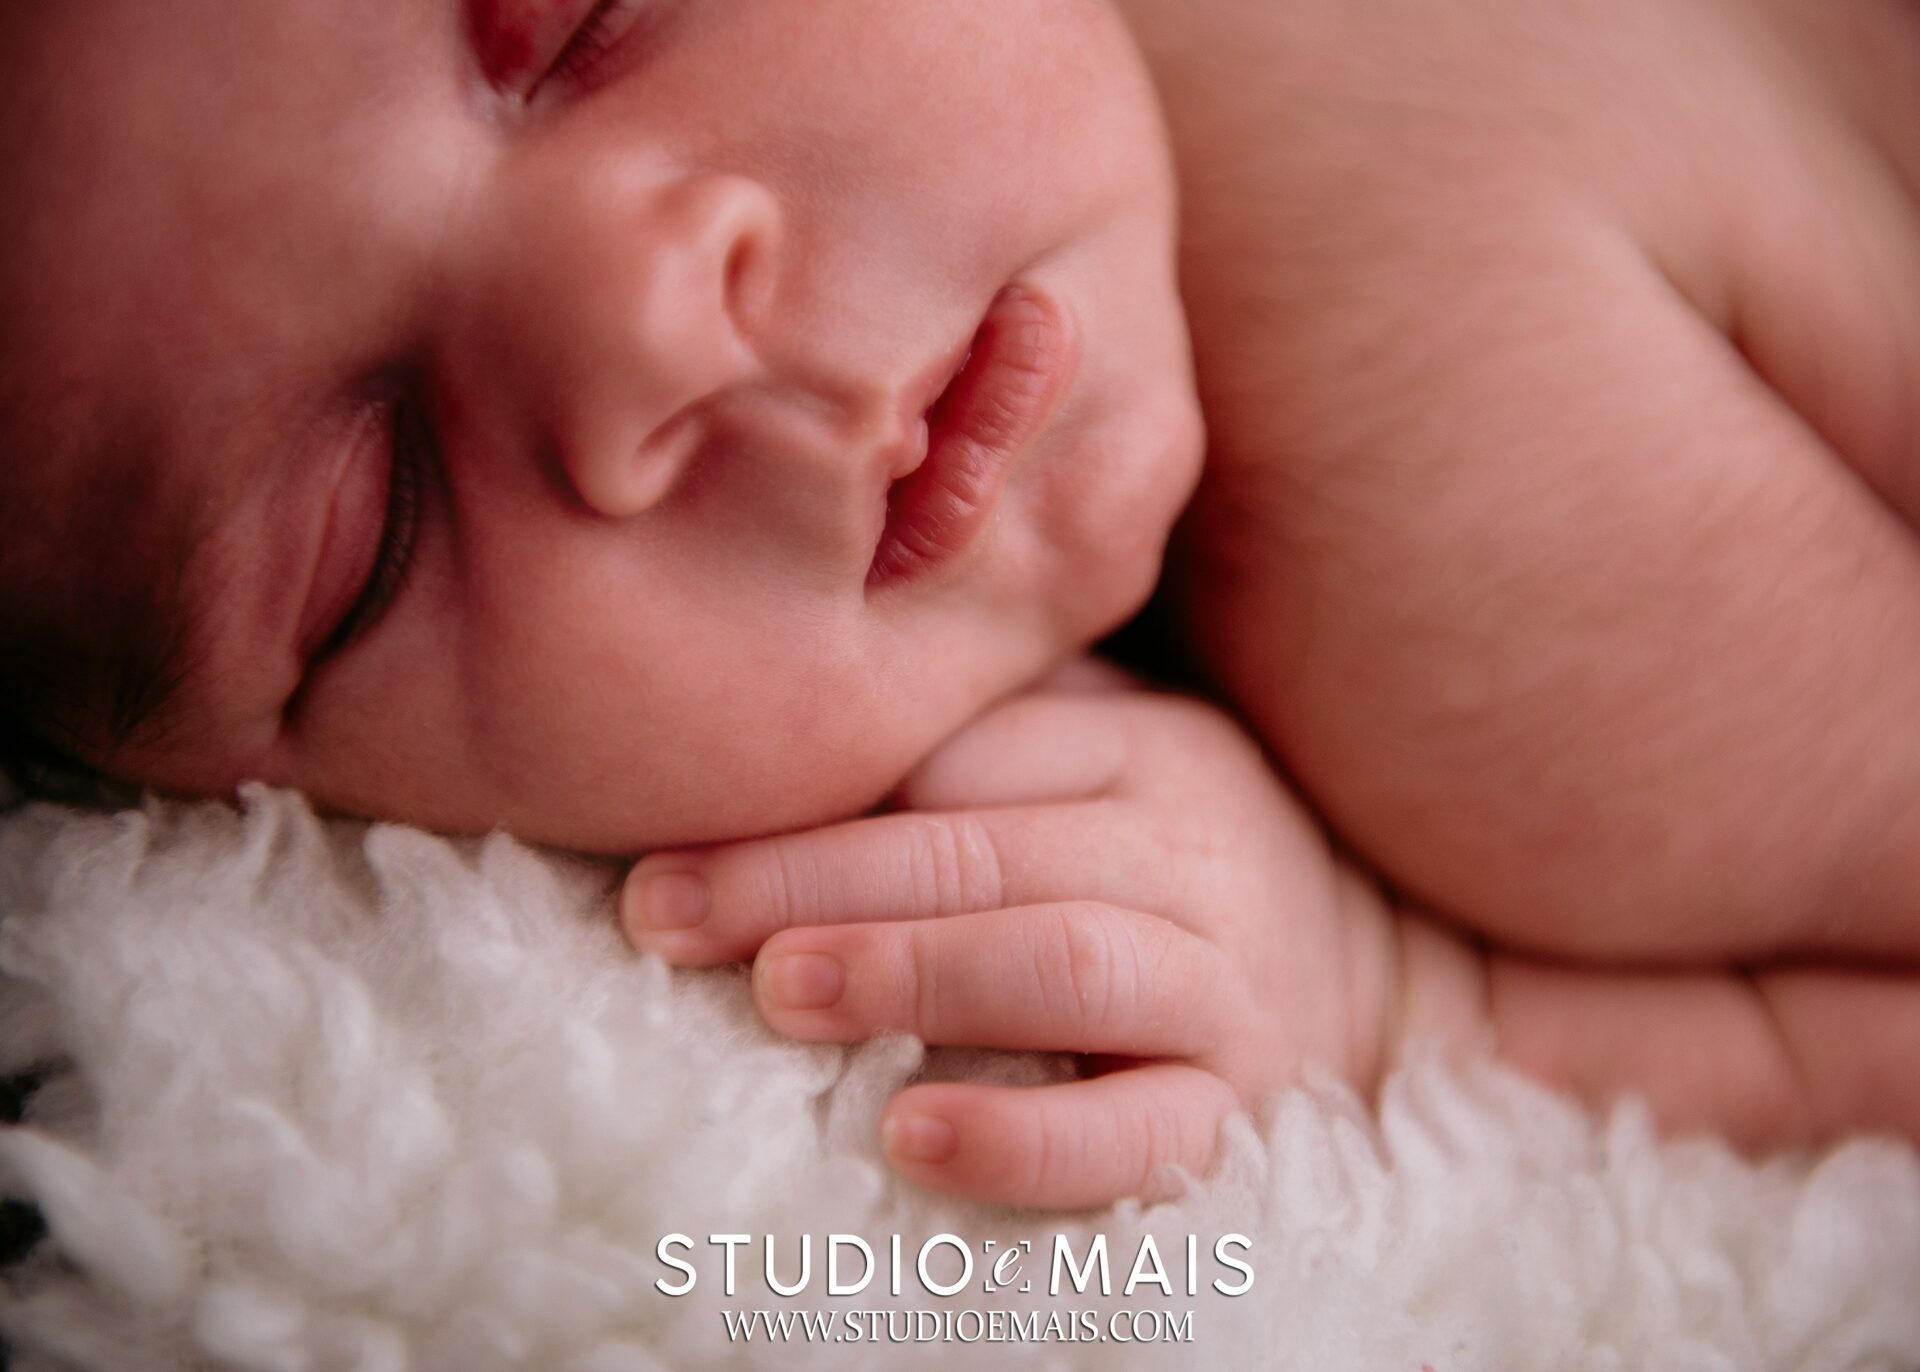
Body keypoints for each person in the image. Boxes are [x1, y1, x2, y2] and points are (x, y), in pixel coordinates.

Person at [2, 0, 1917, 1211]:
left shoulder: (1450, 343)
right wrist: (1402, 990)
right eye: (369, 538)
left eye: (586, 16)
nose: (654, 327)